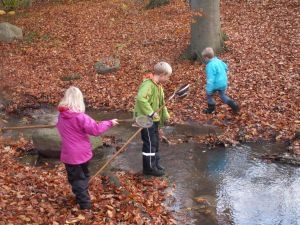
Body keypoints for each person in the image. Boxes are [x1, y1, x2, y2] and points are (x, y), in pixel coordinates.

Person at [56, 86, 118, 210]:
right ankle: (85, 203)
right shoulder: (80, 117)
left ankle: (82, 197)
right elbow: (96, 130)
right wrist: (110, 122)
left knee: (77, 178)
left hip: (71, 155)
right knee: (83, 176)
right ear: (79, 100)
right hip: (82, 153)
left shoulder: (61, 116)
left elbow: (63, 127)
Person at [134, 62, 172, 177]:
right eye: (167, 76)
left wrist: (165, 115)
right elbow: (141, 99)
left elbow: (162, 104)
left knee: (155, 142)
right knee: (149, 144)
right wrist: (150, 112)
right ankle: (149, 168)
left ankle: (155, 164)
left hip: (154, 120)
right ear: (162, 74)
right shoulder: (148, 85)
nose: (168, 79)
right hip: (145, 119)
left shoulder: (158, 86)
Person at [201, 47, 239, 114]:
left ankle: (211, 109)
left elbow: (210, 79)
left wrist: (209, 90)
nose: (204, 60)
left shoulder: (210, 66)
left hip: (216, 84)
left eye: (204, 58)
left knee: (209, 95)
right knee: (223, 96)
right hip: (224, 83)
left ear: (206, 58)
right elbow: (226, 67)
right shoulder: (219, 61)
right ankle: (234, 105)